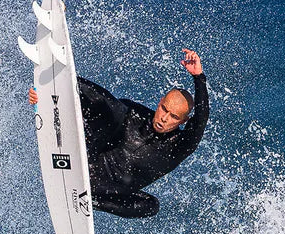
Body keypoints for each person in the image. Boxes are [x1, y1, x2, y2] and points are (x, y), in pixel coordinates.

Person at [30, 49, 208, 218]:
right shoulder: (135, 114)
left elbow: (200, 121)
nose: (164, 118)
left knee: (151, 205)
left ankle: (88, 200)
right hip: (87, 160)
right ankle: (57, 83)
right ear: (160, 102)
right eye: (164, 109)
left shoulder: (178, 146)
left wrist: (198, 77)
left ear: (183, 121)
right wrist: (44, 95)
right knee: (114, 109)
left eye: (174, 117)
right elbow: (97, 105)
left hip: (105, 192)